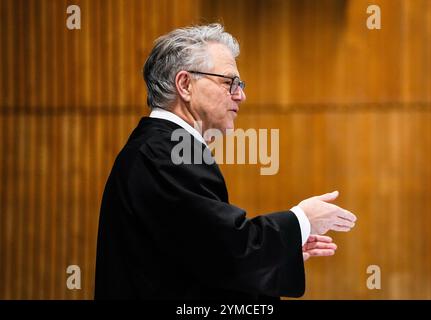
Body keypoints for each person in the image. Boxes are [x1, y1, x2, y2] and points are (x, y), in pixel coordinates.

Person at [94, 23, 357, 300]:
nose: (241, 95)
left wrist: (274, 256)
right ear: (185, 84)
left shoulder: (159, 148)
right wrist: (302, 220)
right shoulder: (163, 153)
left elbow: (206, 261)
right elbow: (228, 249)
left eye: (240, 84)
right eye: (229, 82)